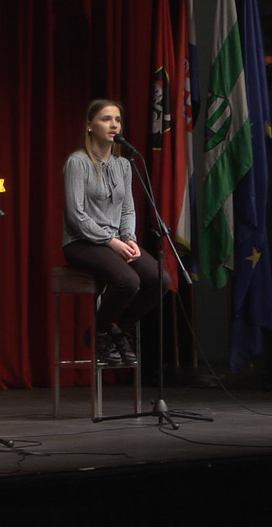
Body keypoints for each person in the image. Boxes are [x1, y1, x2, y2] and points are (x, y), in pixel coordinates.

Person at [62, 99, 170, 366]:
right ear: (90, 126)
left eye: (117, 120)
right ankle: (99, 333)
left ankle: (115, 328)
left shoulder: (124, 165)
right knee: (128, 281)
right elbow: (76, 216)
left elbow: (128, 210)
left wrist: (129, 238)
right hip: (82, 242)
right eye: (106, 119)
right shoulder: (78, 162)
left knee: (160, 280)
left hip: (116, 240)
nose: (113, 125)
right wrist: (111, 241)